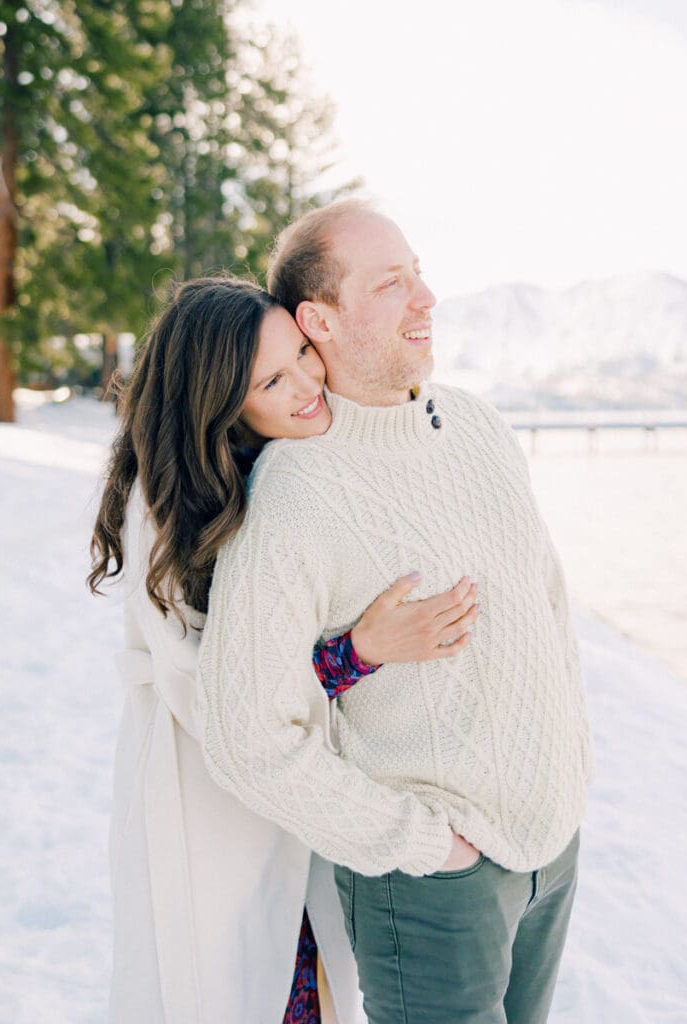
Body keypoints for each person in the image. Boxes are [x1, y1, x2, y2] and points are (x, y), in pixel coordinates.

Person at [196, 201, 594, 1023]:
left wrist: (570, 774)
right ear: (322, 320)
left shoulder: (476, 425)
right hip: (437, 887)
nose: (427, 299)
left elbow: (548, 605)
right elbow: (247, 737)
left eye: (418, 273)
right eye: (391, 283)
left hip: (553, 846)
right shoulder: (294, 499)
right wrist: (425, 847)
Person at [87, 276, 481, 1023]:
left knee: (307, 978)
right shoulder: (169, 508)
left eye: (304, 353)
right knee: (231, 984)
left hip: (294, 791)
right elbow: (218, 693)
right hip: (206, 790)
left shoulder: (282, 463)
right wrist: (360, 650)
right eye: (272, 379)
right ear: (220, 402)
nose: (308, 384)